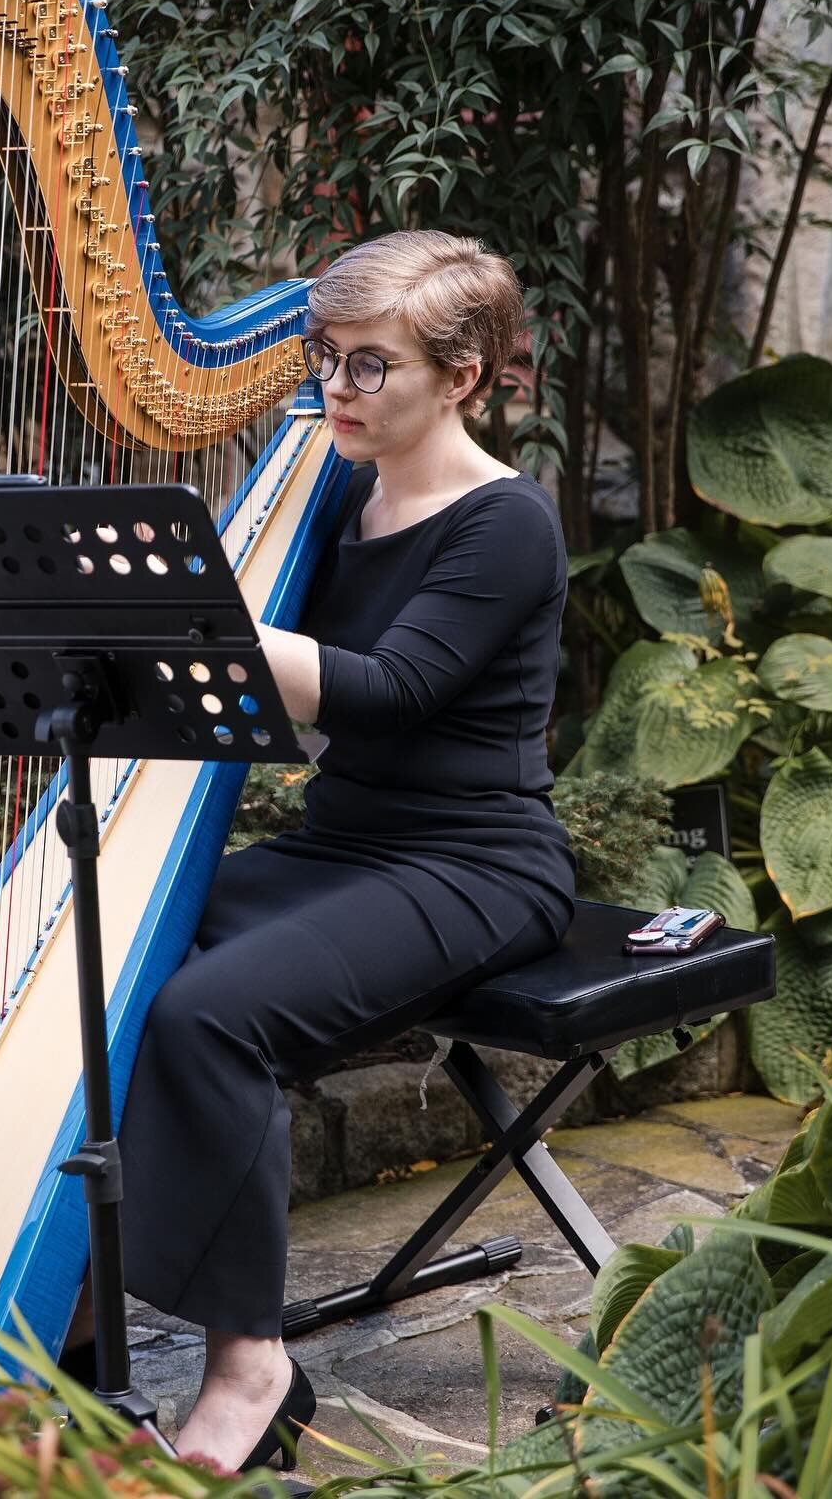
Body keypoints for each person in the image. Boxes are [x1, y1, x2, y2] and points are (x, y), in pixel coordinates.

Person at [63, 229, 577, 1472]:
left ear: (462, 378)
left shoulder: (506, 525)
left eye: (369, 367)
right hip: (345, 844)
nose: (335, 393)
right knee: (102, 959)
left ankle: (250, 1367)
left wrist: (184, 606)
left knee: (208, 1017)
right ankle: (75, 1314)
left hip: (476, 866)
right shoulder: (337, 487)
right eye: (325, 362)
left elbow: (387, 690)